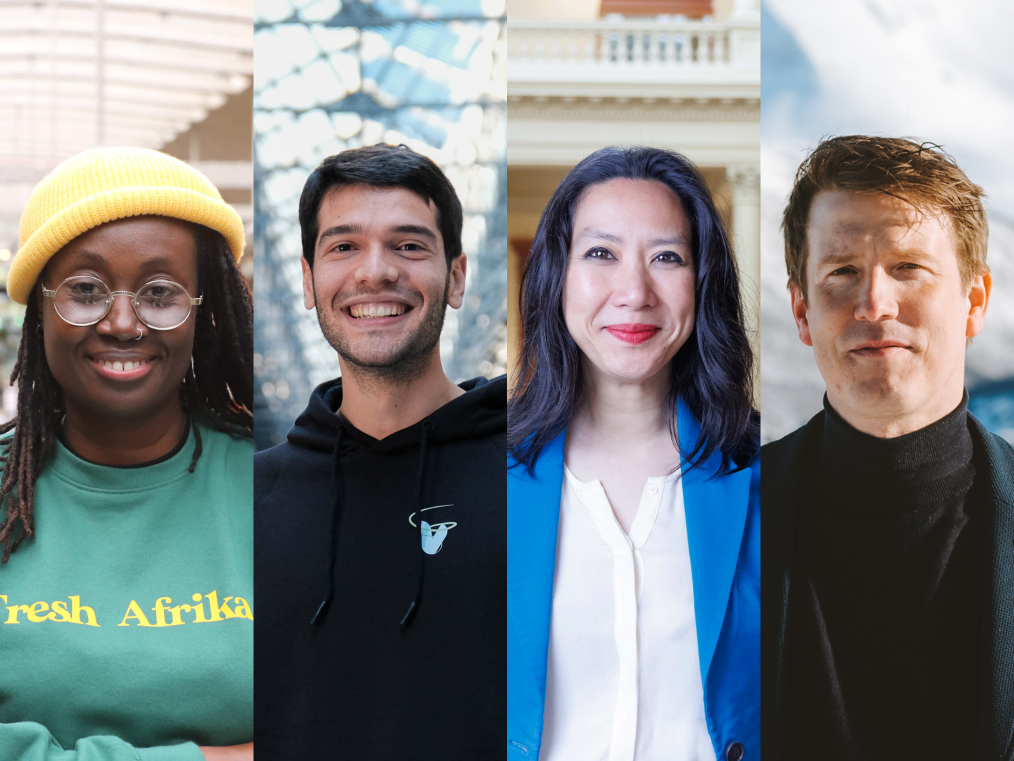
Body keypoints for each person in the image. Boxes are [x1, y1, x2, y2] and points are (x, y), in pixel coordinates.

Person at [761, 135, 1014, 760]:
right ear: (801, 310)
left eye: (908, 267)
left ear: (974, 302)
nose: (874, 303)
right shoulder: (720, 518)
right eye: (842, 272)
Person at [0, 147, 254, 761]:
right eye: (85, 289)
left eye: (160, 292)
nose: (121, 322)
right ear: (40, 311)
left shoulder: (272, 483)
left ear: (204, 311)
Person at [254, 143, 507, 759]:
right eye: (343, 246)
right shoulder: (250, 498)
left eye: (409, 245)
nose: (376, 272)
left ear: (456, 277)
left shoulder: (537, 477)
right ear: (308, 282)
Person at [507, 146, 760, 761]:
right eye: (601, 253)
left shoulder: (767, 477)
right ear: (556, 276)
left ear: (702, 282)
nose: (634, 290)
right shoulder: (487, 480)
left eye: (666, 257)